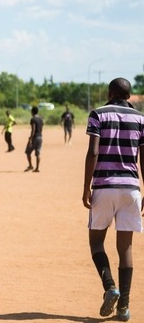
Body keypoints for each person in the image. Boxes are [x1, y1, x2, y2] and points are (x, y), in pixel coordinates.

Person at [82, 77, 144, 321]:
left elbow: (93, 152)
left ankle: (110, 286)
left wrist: (86, 186)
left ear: (110, 93)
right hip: (131, 188)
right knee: (126, 248)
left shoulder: (98, 114)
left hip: (105, 186)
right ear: (129, 96)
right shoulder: (141, 118)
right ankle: (124, 307)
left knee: (96, 242)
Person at [24, 106, 43, 172]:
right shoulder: (41, 119)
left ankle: (30, 165)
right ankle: (37, 168)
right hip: (40, 137)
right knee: (38, 153)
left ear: (32, 112)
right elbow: (41, 129)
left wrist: (30, 139)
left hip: (35, 137)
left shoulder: (33, 119)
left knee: (28, 152)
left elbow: (33, 130)